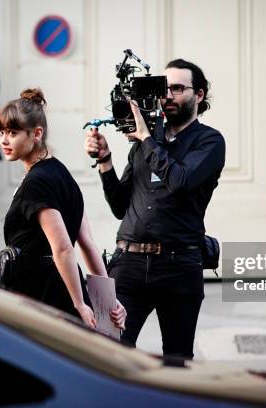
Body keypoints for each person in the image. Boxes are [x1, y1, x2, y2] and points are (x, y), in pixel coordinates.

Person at [84, 59, 226, 359]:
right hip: (129, 264)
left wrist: (147, 138)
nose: (168, 96)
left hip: (179, 265)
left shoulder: (209, 141)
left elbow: (180, 180)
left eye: (177, 88)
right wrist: (106, 161)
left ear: (198, 95)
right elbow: (120, 206)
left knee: (176, 359)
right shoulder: (144, 144)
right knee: (110, 352)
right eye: (165, 89)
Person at [0, 88, 126, 329]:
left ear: (36, 133)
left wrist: (79, 304)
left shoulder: (37, 182)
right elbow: (86, 242)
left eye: (12, 133)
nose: (4, 140)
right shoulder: (61, 172)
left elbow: (64, 248)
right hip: (57, 288)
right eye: (1, 132)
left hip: (42, 294)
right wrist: (109, 301)